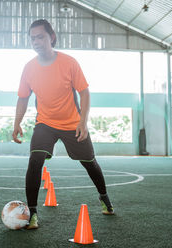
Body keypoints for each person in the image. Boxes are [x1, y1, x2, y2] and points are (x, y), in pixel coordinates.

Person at [12, 19, 114, 230]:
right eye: (32, 38)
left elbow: (84, 92)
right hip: (45, 123)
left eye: (40, 36)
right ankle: (32, 213)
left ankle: (104, 197)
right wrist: (17, 123)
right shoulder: (29, 68)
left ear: (52, 37)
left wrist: (82, 123)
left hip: (71, 123)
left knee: (89, 162)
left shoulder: (69, 62)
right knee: (35, 159)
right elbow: (23, 98)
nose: (36, 41)